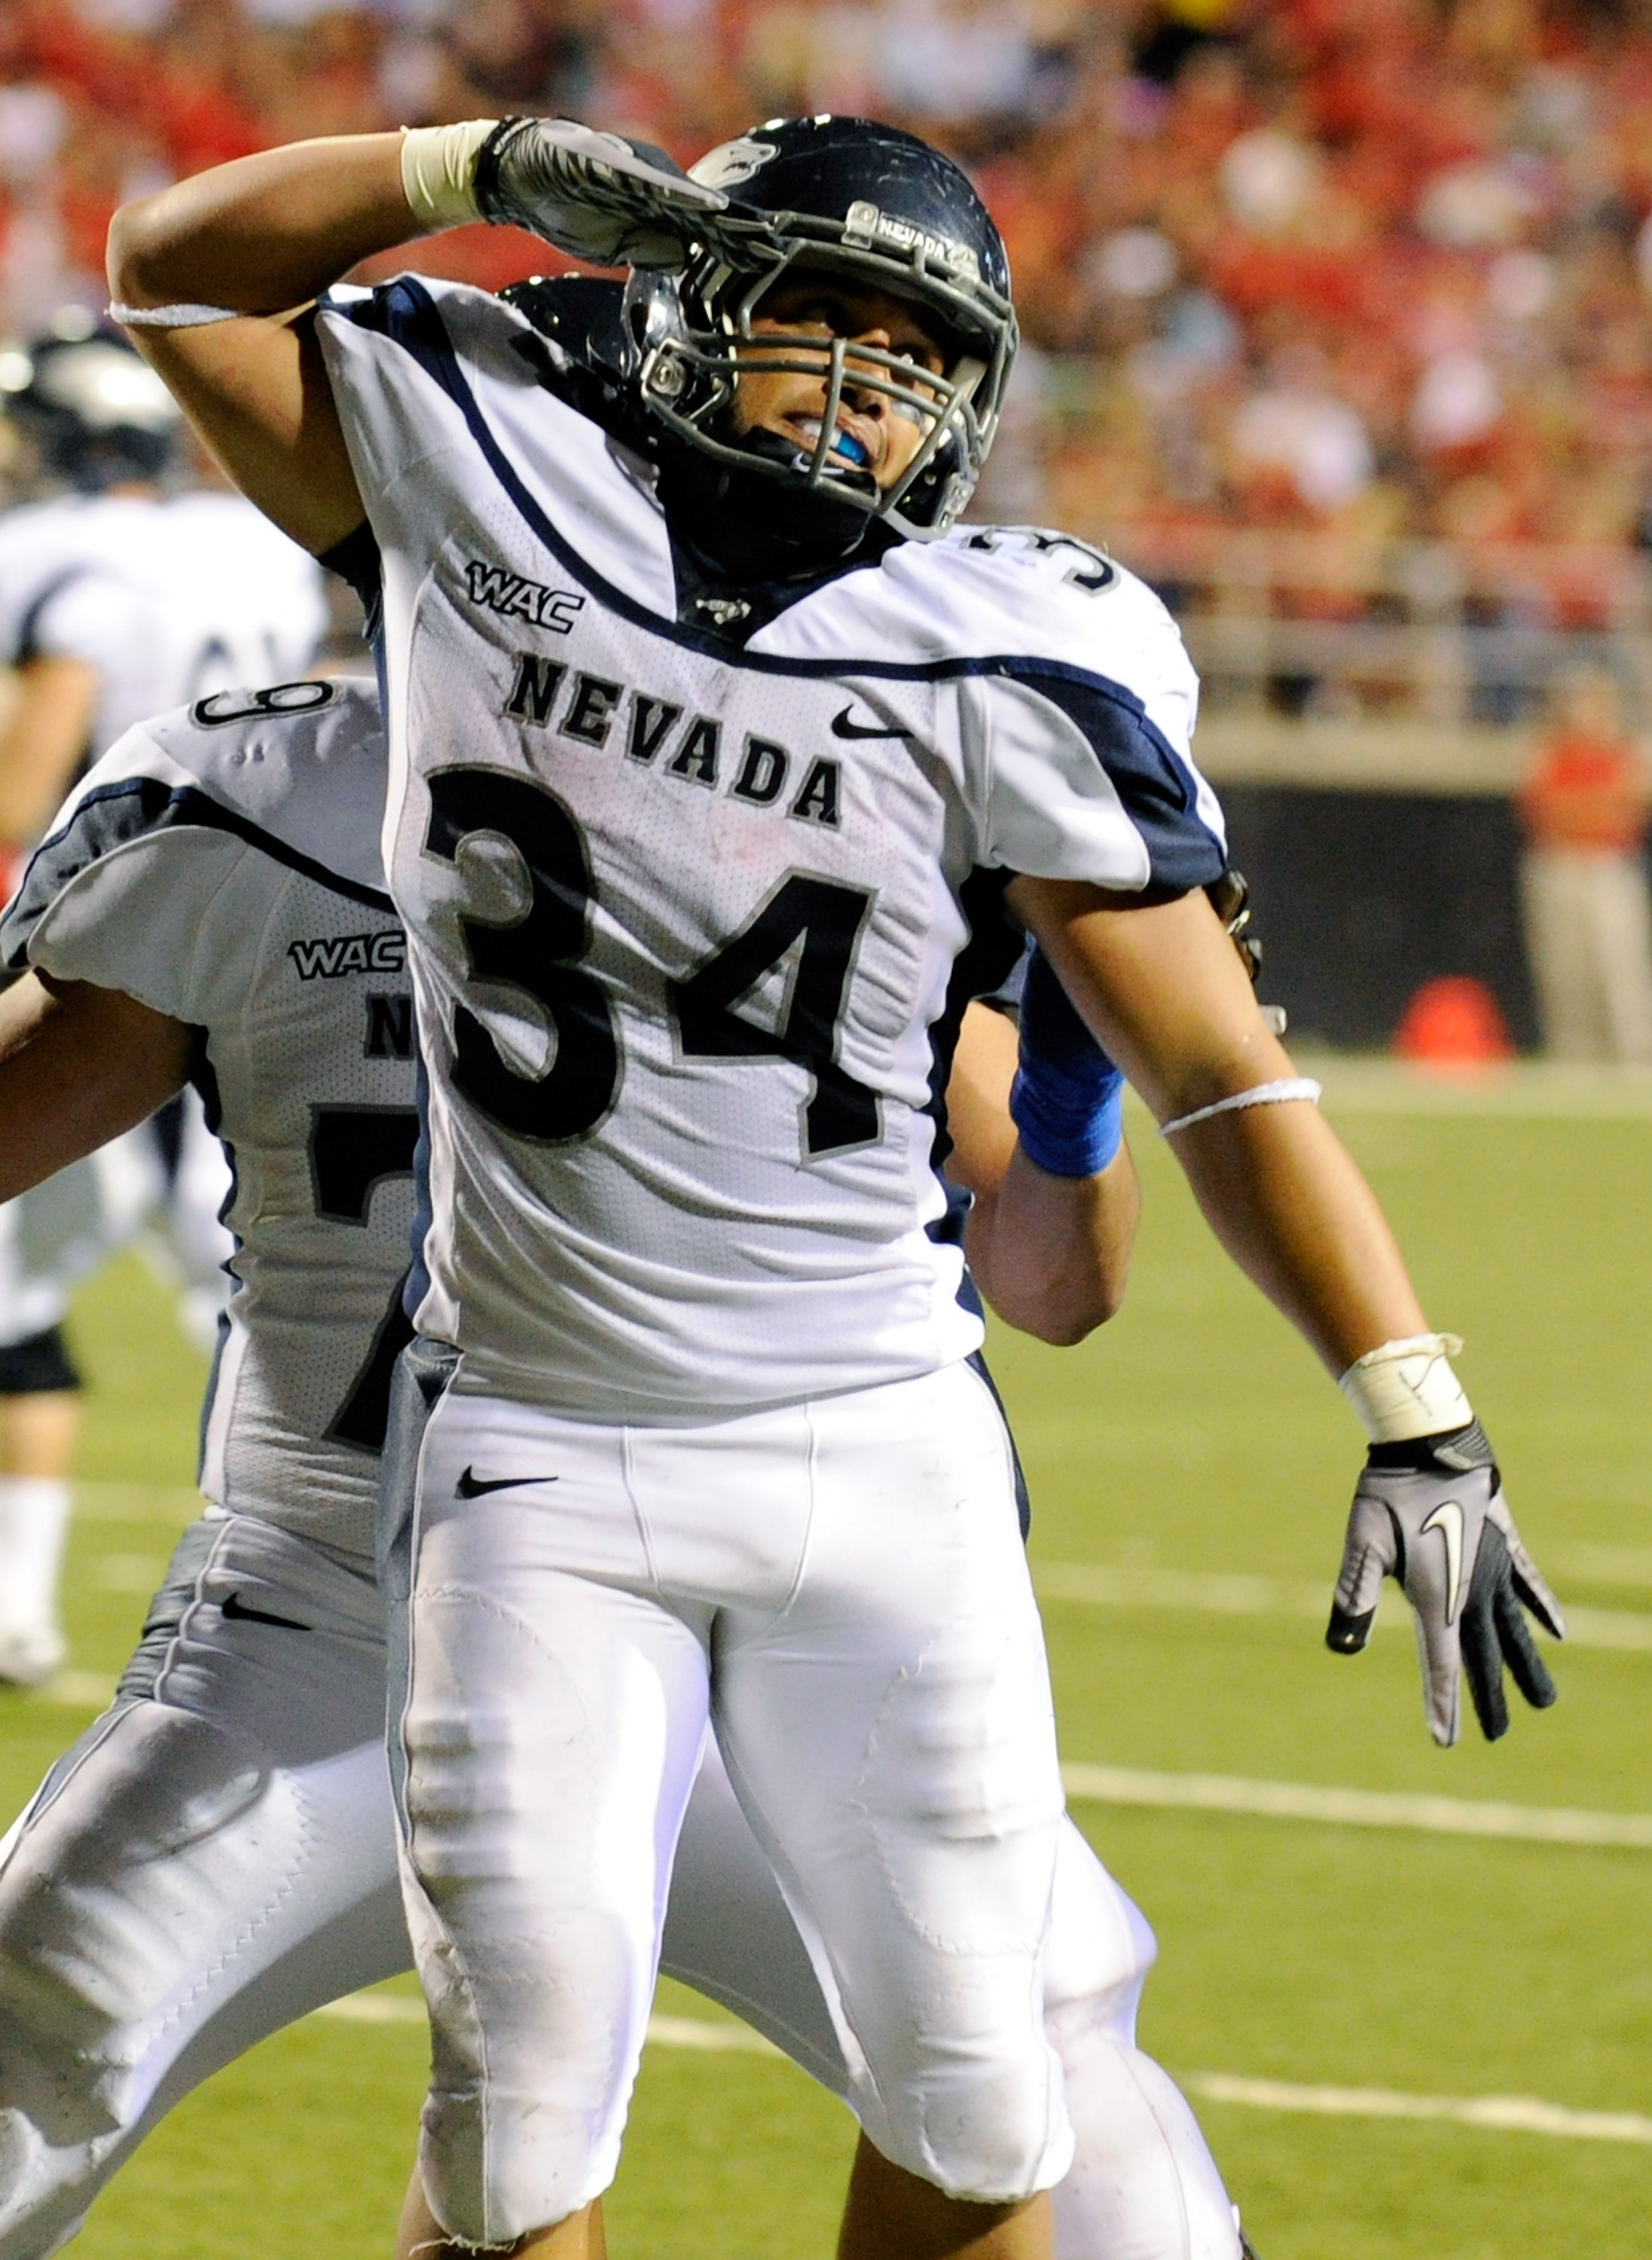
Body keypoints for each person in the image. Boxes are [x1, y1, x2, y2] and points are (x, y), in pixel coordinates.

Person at [107, 113, 1564, 2260]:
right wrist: (462, 163)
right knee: (518, 2143)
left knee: (982, 2120)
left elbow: (1215, 1070)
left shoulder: (1001, 644)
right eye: (829, 316)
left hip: (876, 1456)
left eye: (922, 346)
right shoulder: (486, 473)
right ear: (699, 300)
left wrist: (1413, 1396)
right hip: (537, 1459)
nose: (875, 381)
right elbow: (174, 266)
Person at [0, 676, 1252, 2260]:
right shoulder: (256, 789)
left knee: (1069, 2097)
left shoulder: (820, 765)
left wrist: (1075, 1094)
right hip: (328, 1630)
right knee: (46, 2032)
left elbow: (1057, 1284)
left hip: (744, 1633)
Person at [0, 319, 329, 1686]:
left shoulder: (65, 556)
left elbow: (28, 784)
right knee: (280, 1301)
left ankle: (260, 1593)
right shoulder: (252, 547)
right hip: (279, 939)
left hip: (124, 953)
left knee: (37, 1286)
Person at [1516, 664, 1652, 1064]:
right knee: (1564, 973)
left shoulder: (1624, 751)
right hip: (1559, 867)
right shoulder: (1550, 751)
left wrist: (1588, 812)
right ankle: (1574, 1059)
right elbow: (1543, 811)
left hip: (1606, 867)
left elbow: (1625, 811)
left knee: (1619, 969)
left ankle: (1635, 1058)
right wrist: (1589, 811)